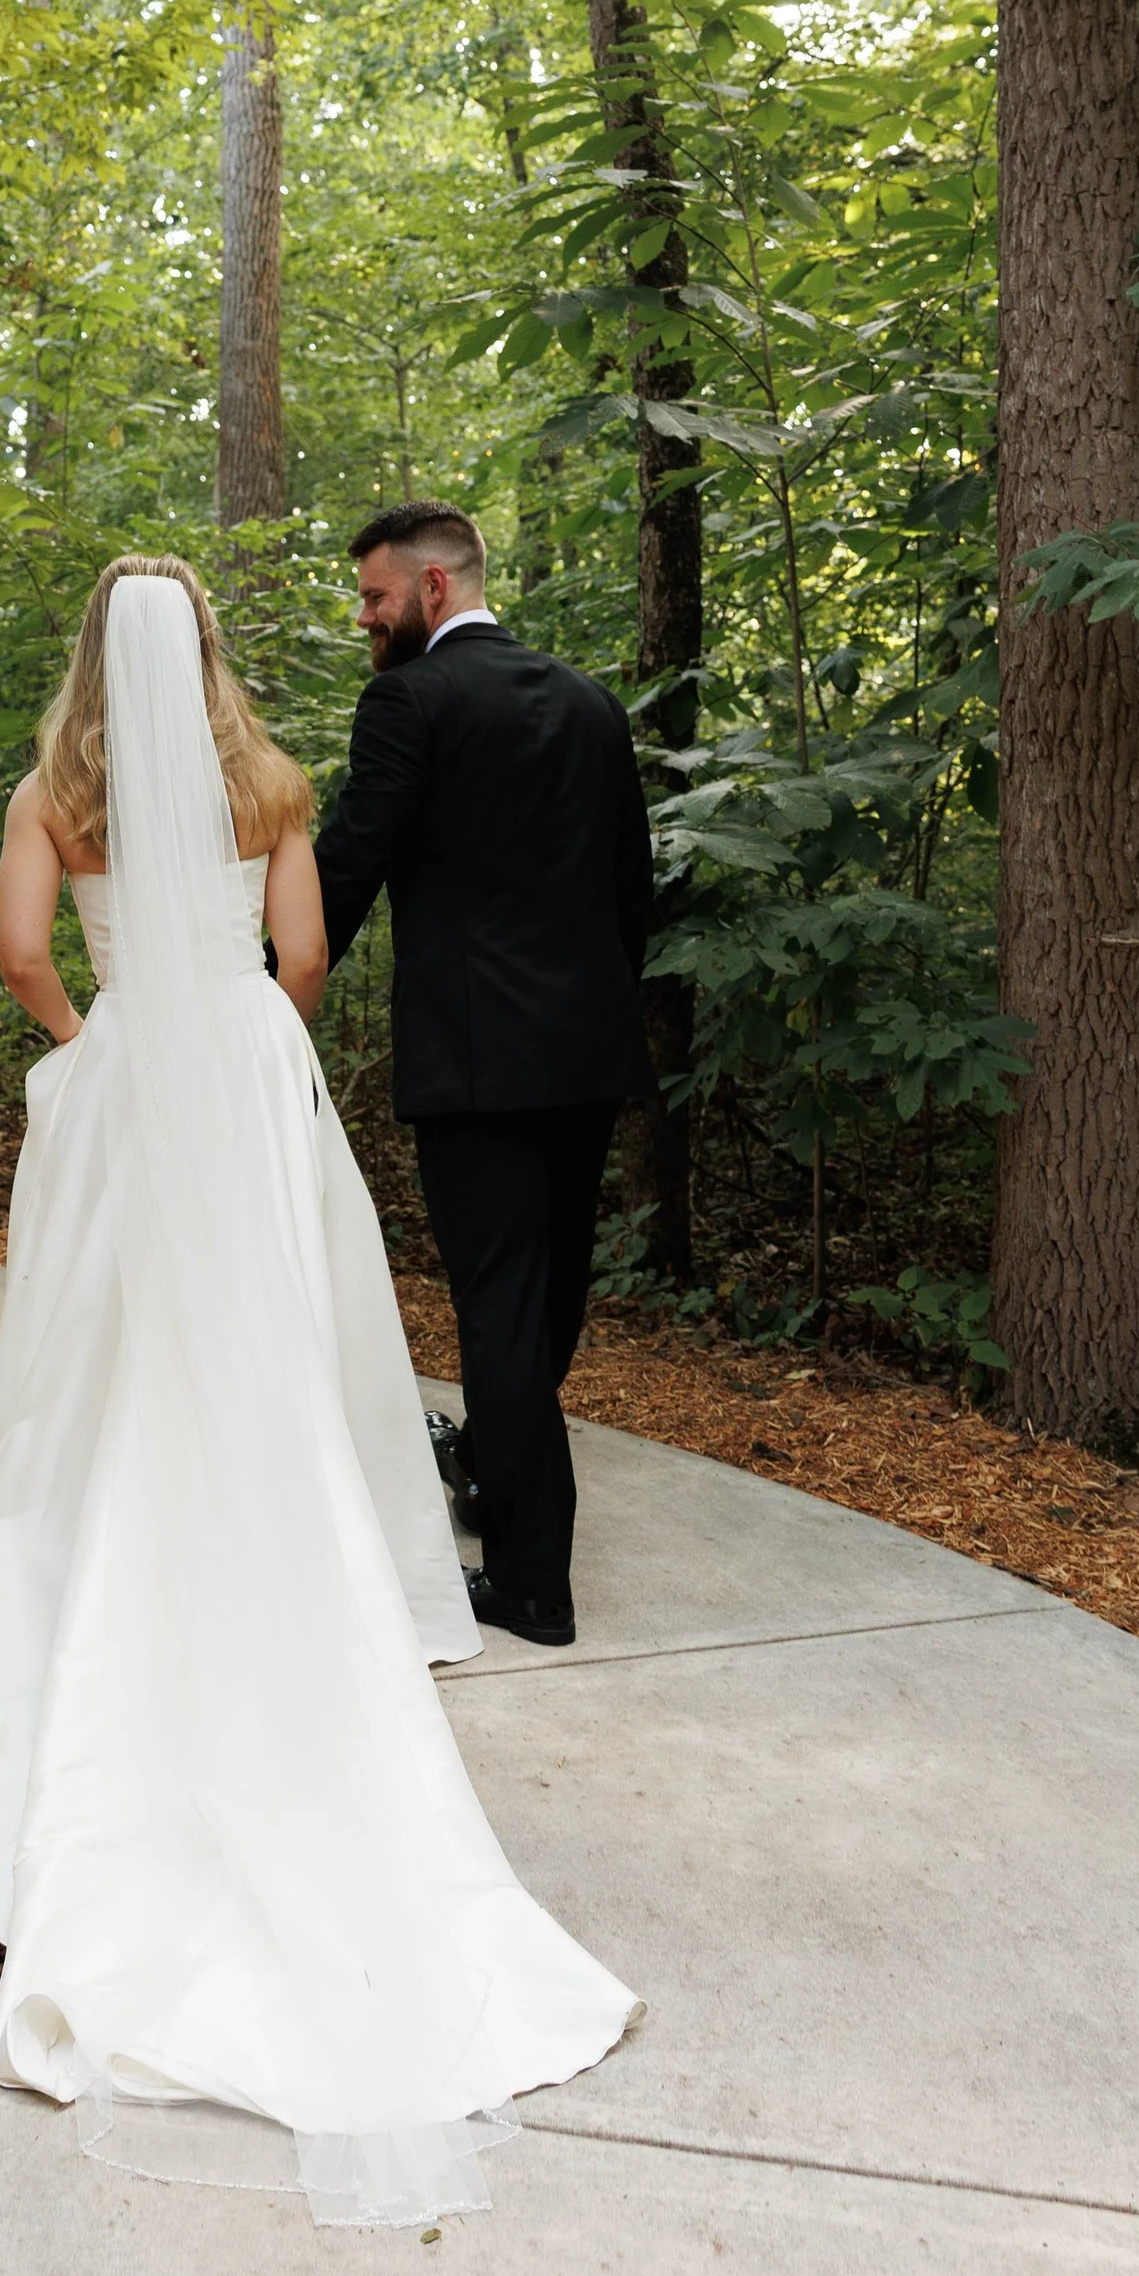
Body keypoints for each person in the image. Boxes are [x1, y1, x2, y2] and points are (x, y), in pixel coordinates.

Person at [0, 557, 637, 2229]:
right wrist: (238, 1046)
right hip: (237, 1070)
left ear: (88, 651)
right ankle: (281, 1558)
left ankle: (100, 1604)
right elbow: (303, 962)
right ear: (205, 649)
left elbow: (16, 958)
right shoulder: (274, 783)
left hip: (130, 1072)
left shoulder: (48, 796)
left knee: (102, 1365)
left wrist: (102, 1041)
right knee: (278, 1345)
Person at [313, 502, 656, 1650]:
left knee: (499, 1310)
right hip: (587, 1052)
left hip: (477, 1061)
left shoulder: (409, 700)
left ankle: (527, 1584)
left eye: (372, 596)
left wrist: (257, 988)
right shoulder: (590, 703)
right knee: (546, 1301)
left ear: (432, 590)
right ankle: (500, 1476)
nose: (363, 617)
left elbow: (348, 865)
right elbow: (629, 889)